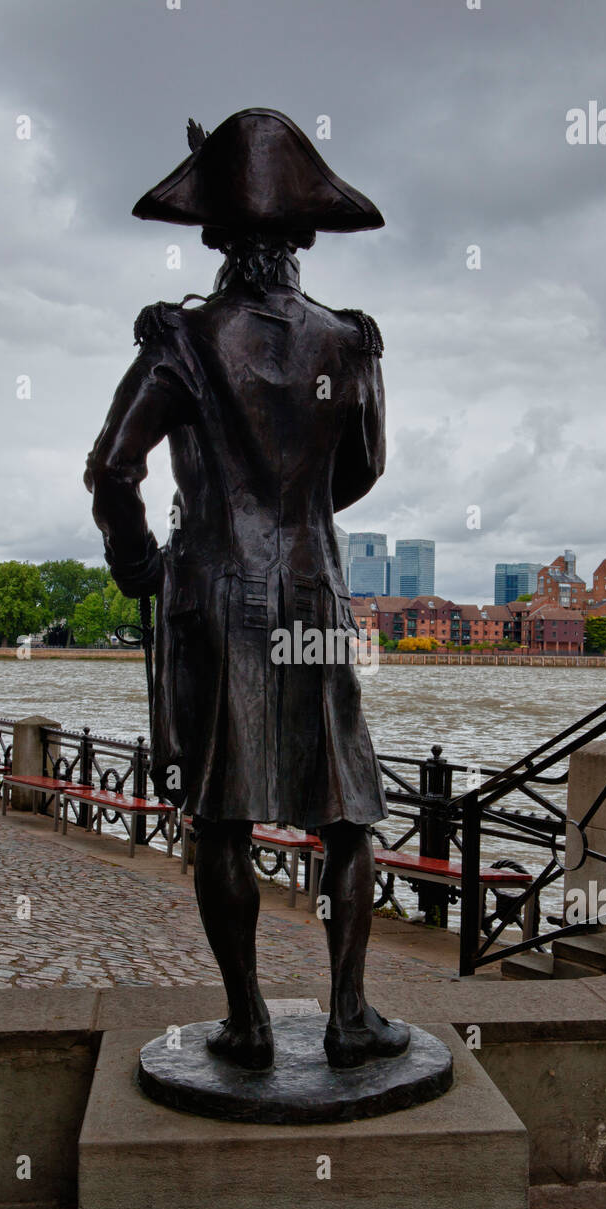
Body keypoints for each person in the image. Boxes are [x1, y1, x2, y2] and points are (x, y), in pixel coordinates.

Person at [85, 109, 408, 1070]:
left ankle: (249, 1022)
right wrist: (299, 500)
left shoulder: (181, 339)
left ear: (218, 242)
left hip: (218, 598)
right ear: (302, 244)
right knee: (346, 807)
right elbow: (363, 473)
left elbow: (112, 470)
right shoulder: (351, 342)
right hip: (315, 594)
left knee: (220, 810)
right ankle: (351, 1015)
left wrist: (137, 563)